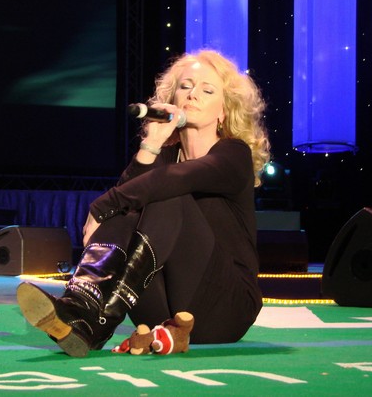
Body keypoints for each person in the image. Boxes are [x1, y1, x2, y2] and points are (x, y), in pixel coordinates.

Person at [17, 49, 271, 357]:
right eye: (185, 86)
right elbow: (128, 199)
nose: (193, 95)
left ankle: (99, 320)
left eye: (207, 90)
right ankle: (81, 311)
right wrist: (152, 143)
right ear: (172, 99)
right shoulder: (164, 158)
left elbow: (172, 181)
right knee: (137, 199)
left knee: (165, 193)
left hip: (225, 308)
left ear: (224, 111)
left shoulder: (234, 155)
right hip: (162, 313)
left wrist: (102, 206)